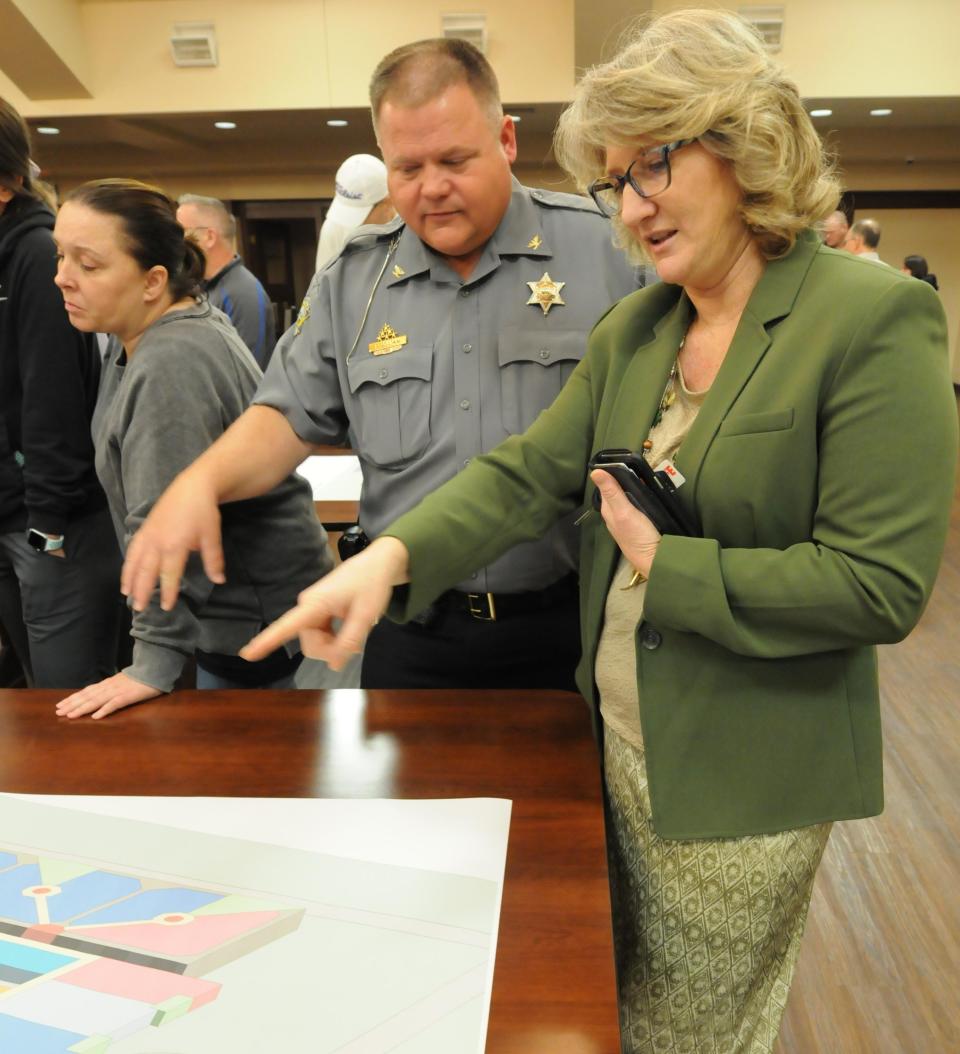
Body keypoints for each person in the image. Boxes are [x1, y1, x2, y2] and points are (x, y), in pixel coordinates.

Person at [231, 10, 958, 1052]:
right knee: (595, 1001)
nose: (632, 207)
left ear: (742, 139)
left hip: (741, 774)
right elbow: (528, 472)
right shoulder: (642, 325)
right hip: (607, 738)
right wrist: (389, 558)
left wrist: (673, 565)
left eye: (652, 167)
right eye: (617, 181)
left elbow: (881, 587)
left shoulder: (870, 316)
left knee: (684, 1034)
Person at [121, 38, 639, 691]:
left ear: (506, 139)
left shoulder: (608, 250)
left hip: (573, 625)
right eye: (408, 168)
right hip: (412, 631)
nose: (434, 189)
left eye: (455, 159)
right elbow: (286, 415)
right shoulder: (355, 280)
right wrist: (200, 482)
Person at [51, 179, 332, 719]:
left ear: (154, 280)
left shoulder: (171, 359)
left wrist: (151, 660)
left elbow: (166, 523)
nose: (62, 277)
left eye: (88, 264)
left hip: (263, 635)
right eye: (61, 256)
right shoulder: (141, 337)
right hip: (243, 623)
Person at [0, 97, 121, 689]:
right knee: (32, 693)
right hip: (12, 508)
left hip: (47, 519)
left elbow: (50, 394)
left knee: (68, 697)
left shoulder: (35, 254)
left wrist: (46, 520)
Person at [175, 194, 277, 367]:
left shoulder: (243, 293)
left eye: (181, 232)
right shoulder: (200, 287)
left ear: (209, 237)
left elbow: (248, 371)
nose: (176, 242)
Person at [315, 153, 394, 271]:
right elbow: (323, 286)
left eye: (359, 212)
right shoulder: (334, 227)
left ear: (387, 202)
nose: (348, 223)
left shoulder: (412, 226)